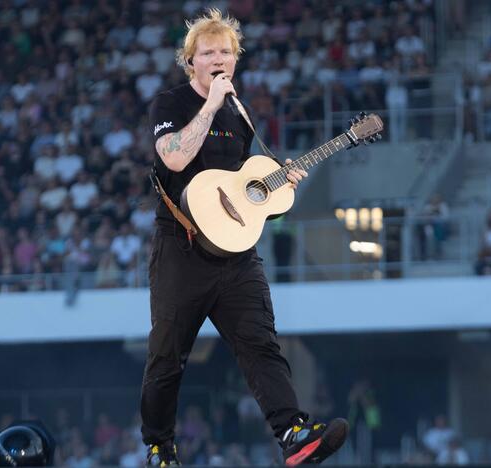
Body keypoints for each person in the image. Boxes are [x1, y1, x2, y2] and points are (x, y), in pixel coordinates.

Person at [140, 8, 347, 466]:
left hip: (234, 253)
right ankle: (159, 446)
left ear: (236, 61)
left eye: (226, 52)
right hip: (182, 246)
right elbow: (173, 160)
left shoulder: (242, 115)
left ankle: (293, 432)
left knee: (260, 343)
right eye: (208, 52)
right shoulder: (171, 105)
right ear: (190, 61)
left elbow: (239, 189)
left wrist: (275, 189)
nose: (218, 59)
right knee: (167, 357)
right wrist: (210, 104)